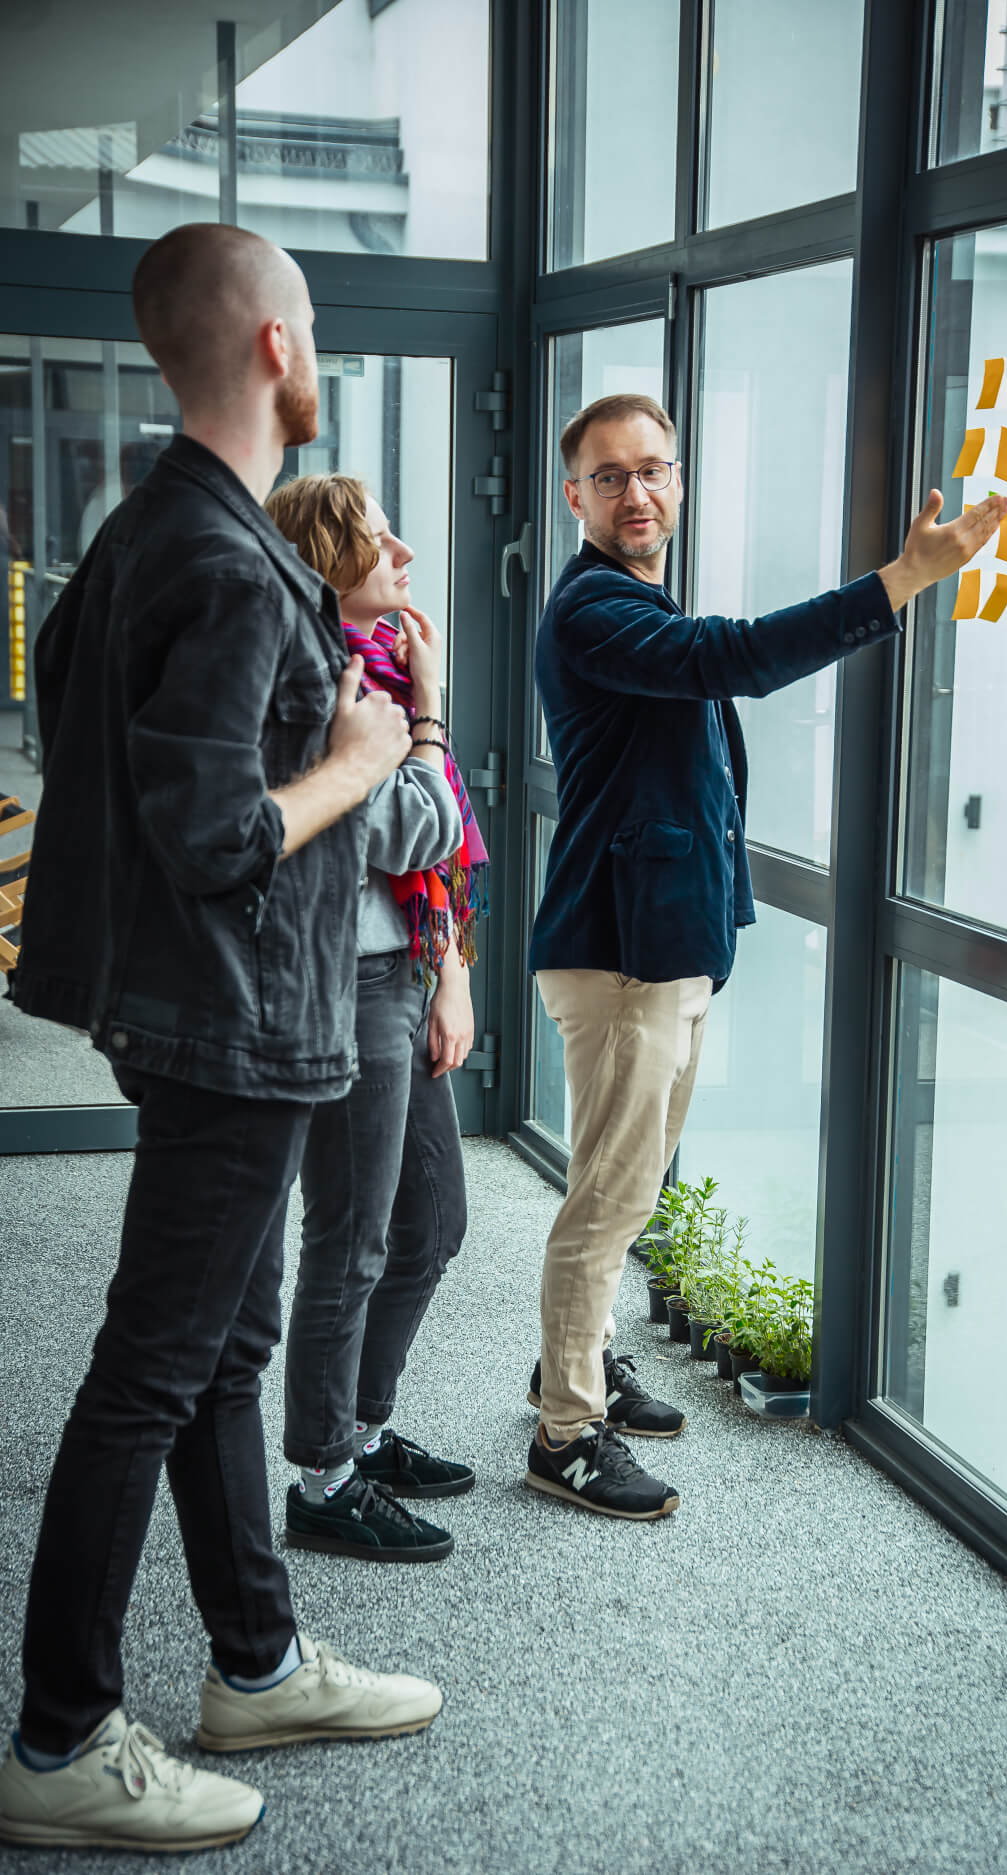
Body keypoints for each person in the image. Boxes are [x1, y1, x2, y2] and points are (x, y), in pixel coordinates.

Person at [0, 224, 443, 1857]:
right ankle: (59, 1736)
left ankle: (252, 1658)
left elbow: (73, 723)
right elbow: (210, 828)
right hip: (234, 1018)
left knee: (218, 1350)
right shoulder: (224, 556)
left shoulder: (150, 532)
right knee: (152, 1371)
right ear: (271, 346)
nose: (316, 348)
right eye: (311, 324)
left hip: (194, 1008)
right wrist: (358, 749)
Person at [524, 391, 1007, 1521]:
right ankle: (564, 1435)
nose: (636, 493)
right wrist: (899, 582)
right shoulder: (594, 609)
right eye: (609, 477)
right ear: (573, 497)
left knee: (627, 1192)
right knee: (605, 1200)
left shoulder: (634, 591)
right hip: (621, 953)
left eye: (653, 470)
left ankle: (573, 1365)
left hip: (667, 943)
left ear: (679, 481)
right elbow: (735, 659)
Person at [265, 472, 487, 1563]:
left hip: (403, 971)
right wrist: (432, 711)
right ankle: (325, 1474)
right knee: (351, 1239)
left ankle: (364, 1421)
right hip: (344, 987)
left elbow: (435, 851)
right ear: (322, 562)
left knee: (432, 1222)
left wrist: (449, 970)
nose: (401, 549)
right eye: (372, 534)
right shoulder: (320, 686)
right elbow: (413, 831)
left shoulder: (374, 671)